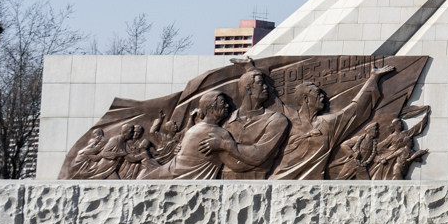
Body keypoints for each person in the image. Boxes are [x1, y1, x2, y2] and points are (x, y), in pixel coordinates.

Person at [271, 64, 394, 180]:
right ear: (305, 98)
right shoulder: (287, 117)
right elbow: (267, 98)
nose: (323, 96)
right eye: (317, 93)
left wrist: (374, 77)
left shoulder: (327, 123)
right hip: (278, 180)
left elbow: (355, 111)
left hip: (314, 186)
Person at [145, 91, 279, 180]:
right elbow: (238, 165)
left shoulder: (195, 129)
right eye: (222, 103)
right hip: (180, 181)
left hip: (170, 176)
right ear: (210, 108)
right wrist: (268, 158)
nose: (227, 105)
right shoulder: (217, 133)